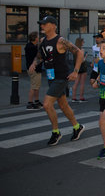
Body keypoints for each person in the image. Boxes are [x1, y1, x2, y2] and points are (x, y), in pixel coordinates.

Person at [29, 16, 85, 146]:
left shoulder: (61, 41)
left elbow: (79, 53)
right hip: (50, 77)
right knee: (63, 105)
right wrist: (34, 63)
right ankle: (77, 127)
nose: (42, 26)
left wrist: (75, 71)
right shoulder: (42, 41)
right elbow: (40, 56)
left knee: (47, 104)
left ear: (53, 26)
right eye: (41, 24)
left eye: (45, 24)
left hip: (61, 77)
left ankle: (56, 132)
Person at [25, 31, 43, 110]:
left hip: (34, 68)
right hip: (34, 69)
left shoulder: (30, 46)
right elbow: (38, 55)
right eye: (38, 37)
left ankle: (36, 101)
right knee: (34, 86)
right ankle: (30, 103)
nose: (38, 38)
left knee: (36, 86)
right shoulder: (32, 47)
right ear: (35, 38)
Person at [71, 37, 88, 102]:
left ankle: (73, 97)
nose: (83, 43)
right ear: (81, 42)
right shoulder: (82, 50)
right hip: (83, 67)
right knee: (82, 83)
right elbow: (82, 60)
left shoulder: (74, 50)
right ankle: (81, 97)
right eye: (83, 42)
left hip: (76, 67)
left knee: (76, 82)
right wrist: (85, 56)